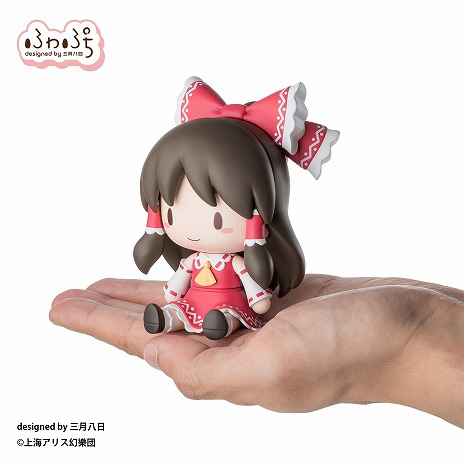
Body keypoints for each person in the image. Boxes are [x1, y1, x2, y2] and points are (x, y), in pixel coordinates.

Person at [50, 273, 464, 429]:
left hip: (230, 305)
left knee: (230, 315)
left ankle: (218, 322)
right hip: (195, 301)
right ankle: (169, 318)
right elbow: (176, 283)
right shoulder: (194, 260)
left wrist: (412, 335)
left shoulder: (239, 262)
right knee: (178, 309)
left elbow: (253, 288)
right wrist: (421, 326)